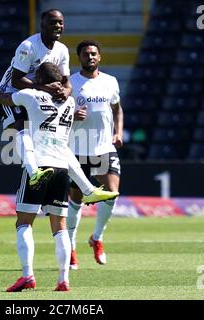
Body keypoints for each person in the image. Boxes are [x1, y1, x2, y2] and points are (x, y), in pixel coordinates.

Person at [0, 62, 119, 292]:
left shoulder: (32, 95)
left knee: (24, 223)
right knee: (59, 227)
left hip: (40, 165)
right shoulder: (69, 102)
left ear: (38, 77)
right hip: (61, 169)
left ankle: (27, 275)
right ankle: (63, 280)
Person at [0, 9, 102, 201]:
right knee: (21, 127)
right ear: (42, 26)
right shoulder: (28, 46)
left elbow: (67, 83)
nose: (58, 26)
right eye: (53, 22)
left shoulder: (61, 50)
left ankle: (87, 189)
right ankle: (33, 171)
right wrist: (44, 89)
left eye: (60, 22)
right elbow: (17, 80)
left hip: (38, 94)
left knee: (58, 138)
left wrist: (65, 92)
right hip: (10, 94)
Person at [67, 40, 124, 269]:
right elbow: (57, 114)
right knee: (76, 201)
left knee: (112, 194)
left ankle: (97, 238)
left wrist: (118, 132)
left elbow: (117, 108)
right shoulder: (70, 82)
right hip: (77, 150)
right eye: (85, 54)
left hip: (103, 149)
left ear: (99, 57)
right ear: (79, 57)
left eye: (93, 54)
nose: (90, 57)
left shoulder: (111, 82)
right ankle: (70, 248)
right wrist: (72, 115)